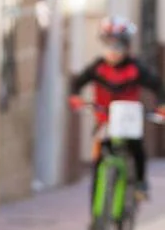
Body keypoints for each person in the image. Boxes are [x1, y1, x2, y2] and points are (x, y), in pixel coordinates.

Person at [69, 14, 165, 202]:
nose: (113, 51)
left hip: (128, 119)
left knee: (136, 147)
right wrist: (76, 97)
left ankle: (140, 183)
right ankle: (97, 219)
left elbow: (158, 86)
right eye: (108, 45)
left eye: (118, 46)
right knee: (99, 158)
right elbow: (78, 82)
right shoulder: (98, 68)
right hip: (105, 118)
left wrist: (162, 105)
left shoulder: (135, 68)